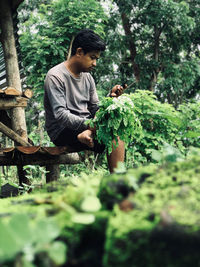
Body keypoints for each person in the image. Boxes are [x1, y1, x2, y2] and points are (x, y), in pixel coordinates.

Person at [44, 29, 125, 173]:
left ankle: (118, 181)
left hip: (85, 124)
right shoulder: (55, 76)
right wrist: (88, 125)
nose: (94, 63)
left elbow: (94, 108)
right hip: (61, 130)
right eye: (92, 57)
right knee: (110, 134)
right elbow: (61, 115)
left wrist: (111, 98)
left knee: (115, 131)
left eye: (96, 59)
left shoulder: (87, 77)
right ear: (79, 52)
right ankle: (86, 134)